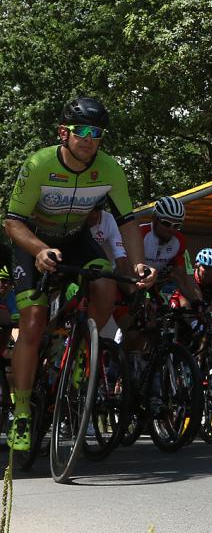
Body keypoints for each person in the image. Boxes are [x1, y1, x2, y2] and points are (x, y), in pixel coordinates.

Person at [3, 96, 154, 451]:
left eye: (96, 133)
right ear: (63, 133)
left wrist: (139, 264)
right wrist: (39, 250)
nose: (88, 139)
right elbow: (12, 222)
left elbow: (127, 221)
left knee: (105, 283)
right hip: (33, 240)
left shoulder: (110, 169)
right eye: (80, 131)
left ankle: (80, 355)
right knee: (33, 322)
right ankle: (21, 411)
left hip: (75, 239)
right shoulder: (38, 164)